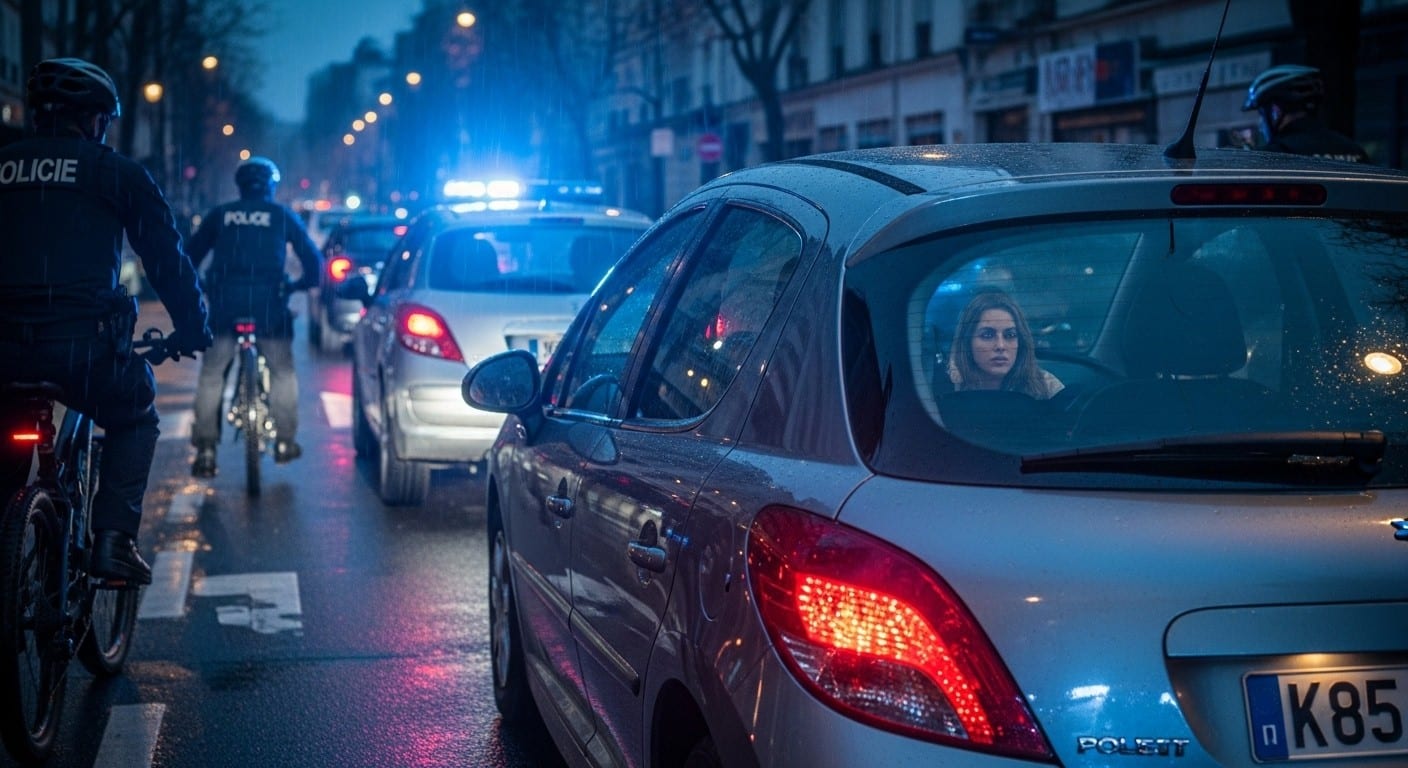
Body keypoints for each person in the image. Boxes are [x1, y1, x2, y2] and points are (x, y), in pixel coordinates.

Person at [0, 58, 212, 586]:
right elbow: (165, 257)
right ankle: (115, 544)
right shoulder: (114, 172)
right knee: (135, 413)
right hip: (83, 352)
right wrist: (194, 324)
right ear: (96, 119)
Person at [187, 156, 321, 478]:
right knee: (282, 372)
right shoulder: (282, 215)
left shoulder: (220, 215)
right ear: (271, 187)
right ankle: (286, 441)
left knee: (212, 375)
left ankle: (205, 449)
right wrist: (300, 284)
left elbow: (188, 257)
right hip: (269, 307)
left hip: (225, 305)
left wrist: (200, 285)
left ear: (240, 186)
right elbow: (312, 260)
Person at [1242, 64, 1369, 163]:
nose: (1260, 124)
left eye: (1261, 114)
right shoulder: (1354, 150)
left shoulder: (1275, 155)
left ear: (1275, 111)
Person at [948, 291, 1063, 399]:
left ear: (1021, 342)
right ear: (967, 343)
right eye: (987, 335)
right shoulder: (948, 387)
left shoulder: (1046, 386)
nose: (1000, 346)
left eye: (1010, 335)